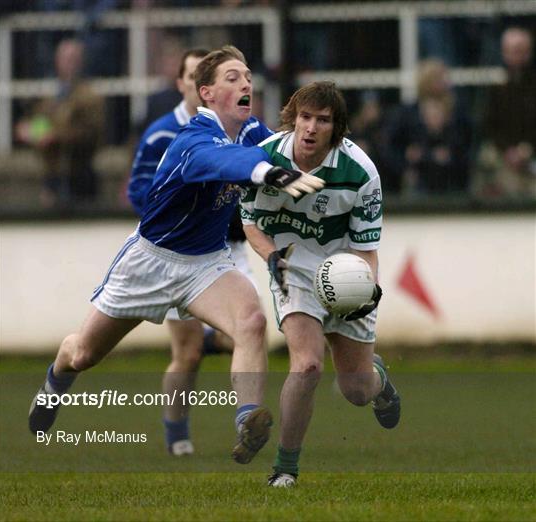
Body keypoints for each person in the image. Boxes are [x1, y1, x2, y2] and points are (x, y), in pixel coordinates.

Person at [28, 45, 324, 465]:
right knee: (83, 354)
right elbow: (221, 161)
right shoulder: (192, 138)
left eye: (247, 76)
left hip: (206, 261)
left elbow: (281, 149)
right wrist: (267, 172)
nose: (246, 83)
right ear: (206, 93)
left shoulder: (253, 131)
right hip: (152, 260)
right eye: (232, 77)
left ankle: (247, 420)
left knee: (252, 320)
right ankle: (54, 383)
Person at [240, 81, 401, 487]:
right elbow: (250, 224)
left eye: (322, 120)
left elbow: (367, 249)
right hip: (292, 268)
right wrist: (272, 257)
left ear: (337, 127)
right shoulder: (264, 160)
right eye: (305, 117)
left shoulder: (360, 172)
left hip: (346, 270)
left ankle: (379, 381)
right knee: (308, 365)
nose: (310, 128)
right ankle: (285, 469)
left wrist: (361, 290)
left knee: (356, 390)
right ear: (293, 117)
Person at [127, 47, 273, 456]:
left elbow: (266, 155)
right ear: (188, 86)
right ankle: (177, 435)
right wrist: (177, 217)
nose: (197, 84)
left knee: (251, 327)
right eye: (191, 77)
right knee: (187, 355)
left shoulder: (243, 127)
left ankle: (247, 417)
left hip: (226, 250)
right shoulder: (164, 133)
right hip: (173, 251)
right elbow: (139, 189)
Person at [15, 38, 105, 208]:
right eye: (64, 59)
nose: (68, 64)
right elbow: (41, 122)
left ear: (81, 62)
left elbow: (90, 133)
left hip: (78, 173)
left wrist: (56, 136)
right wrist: (30, 130)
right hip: (53, 173)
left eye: (73, 59)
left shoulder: (89, 96)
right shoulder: (51, 97)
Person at [383, 59, 472, 196]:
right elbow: (390, 146)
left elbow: (467, 143)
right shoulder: (408, 113)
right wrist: (406, 164)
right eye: (437, 79)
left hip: (451, 177)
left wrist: (448, 150)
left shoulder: (457, 112)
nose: (444, 83)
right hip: (417, 176)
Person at [479, 27, 536, 198]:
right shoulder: (496, 87)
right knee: (486, 157)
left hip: (531, 151)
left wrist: (527, 149)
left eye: (519, 50)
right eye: (510, 51)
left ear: (529, 52)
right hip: (504, 152)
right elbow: (489, 124)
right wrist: (508, 150)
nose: (515, 56)